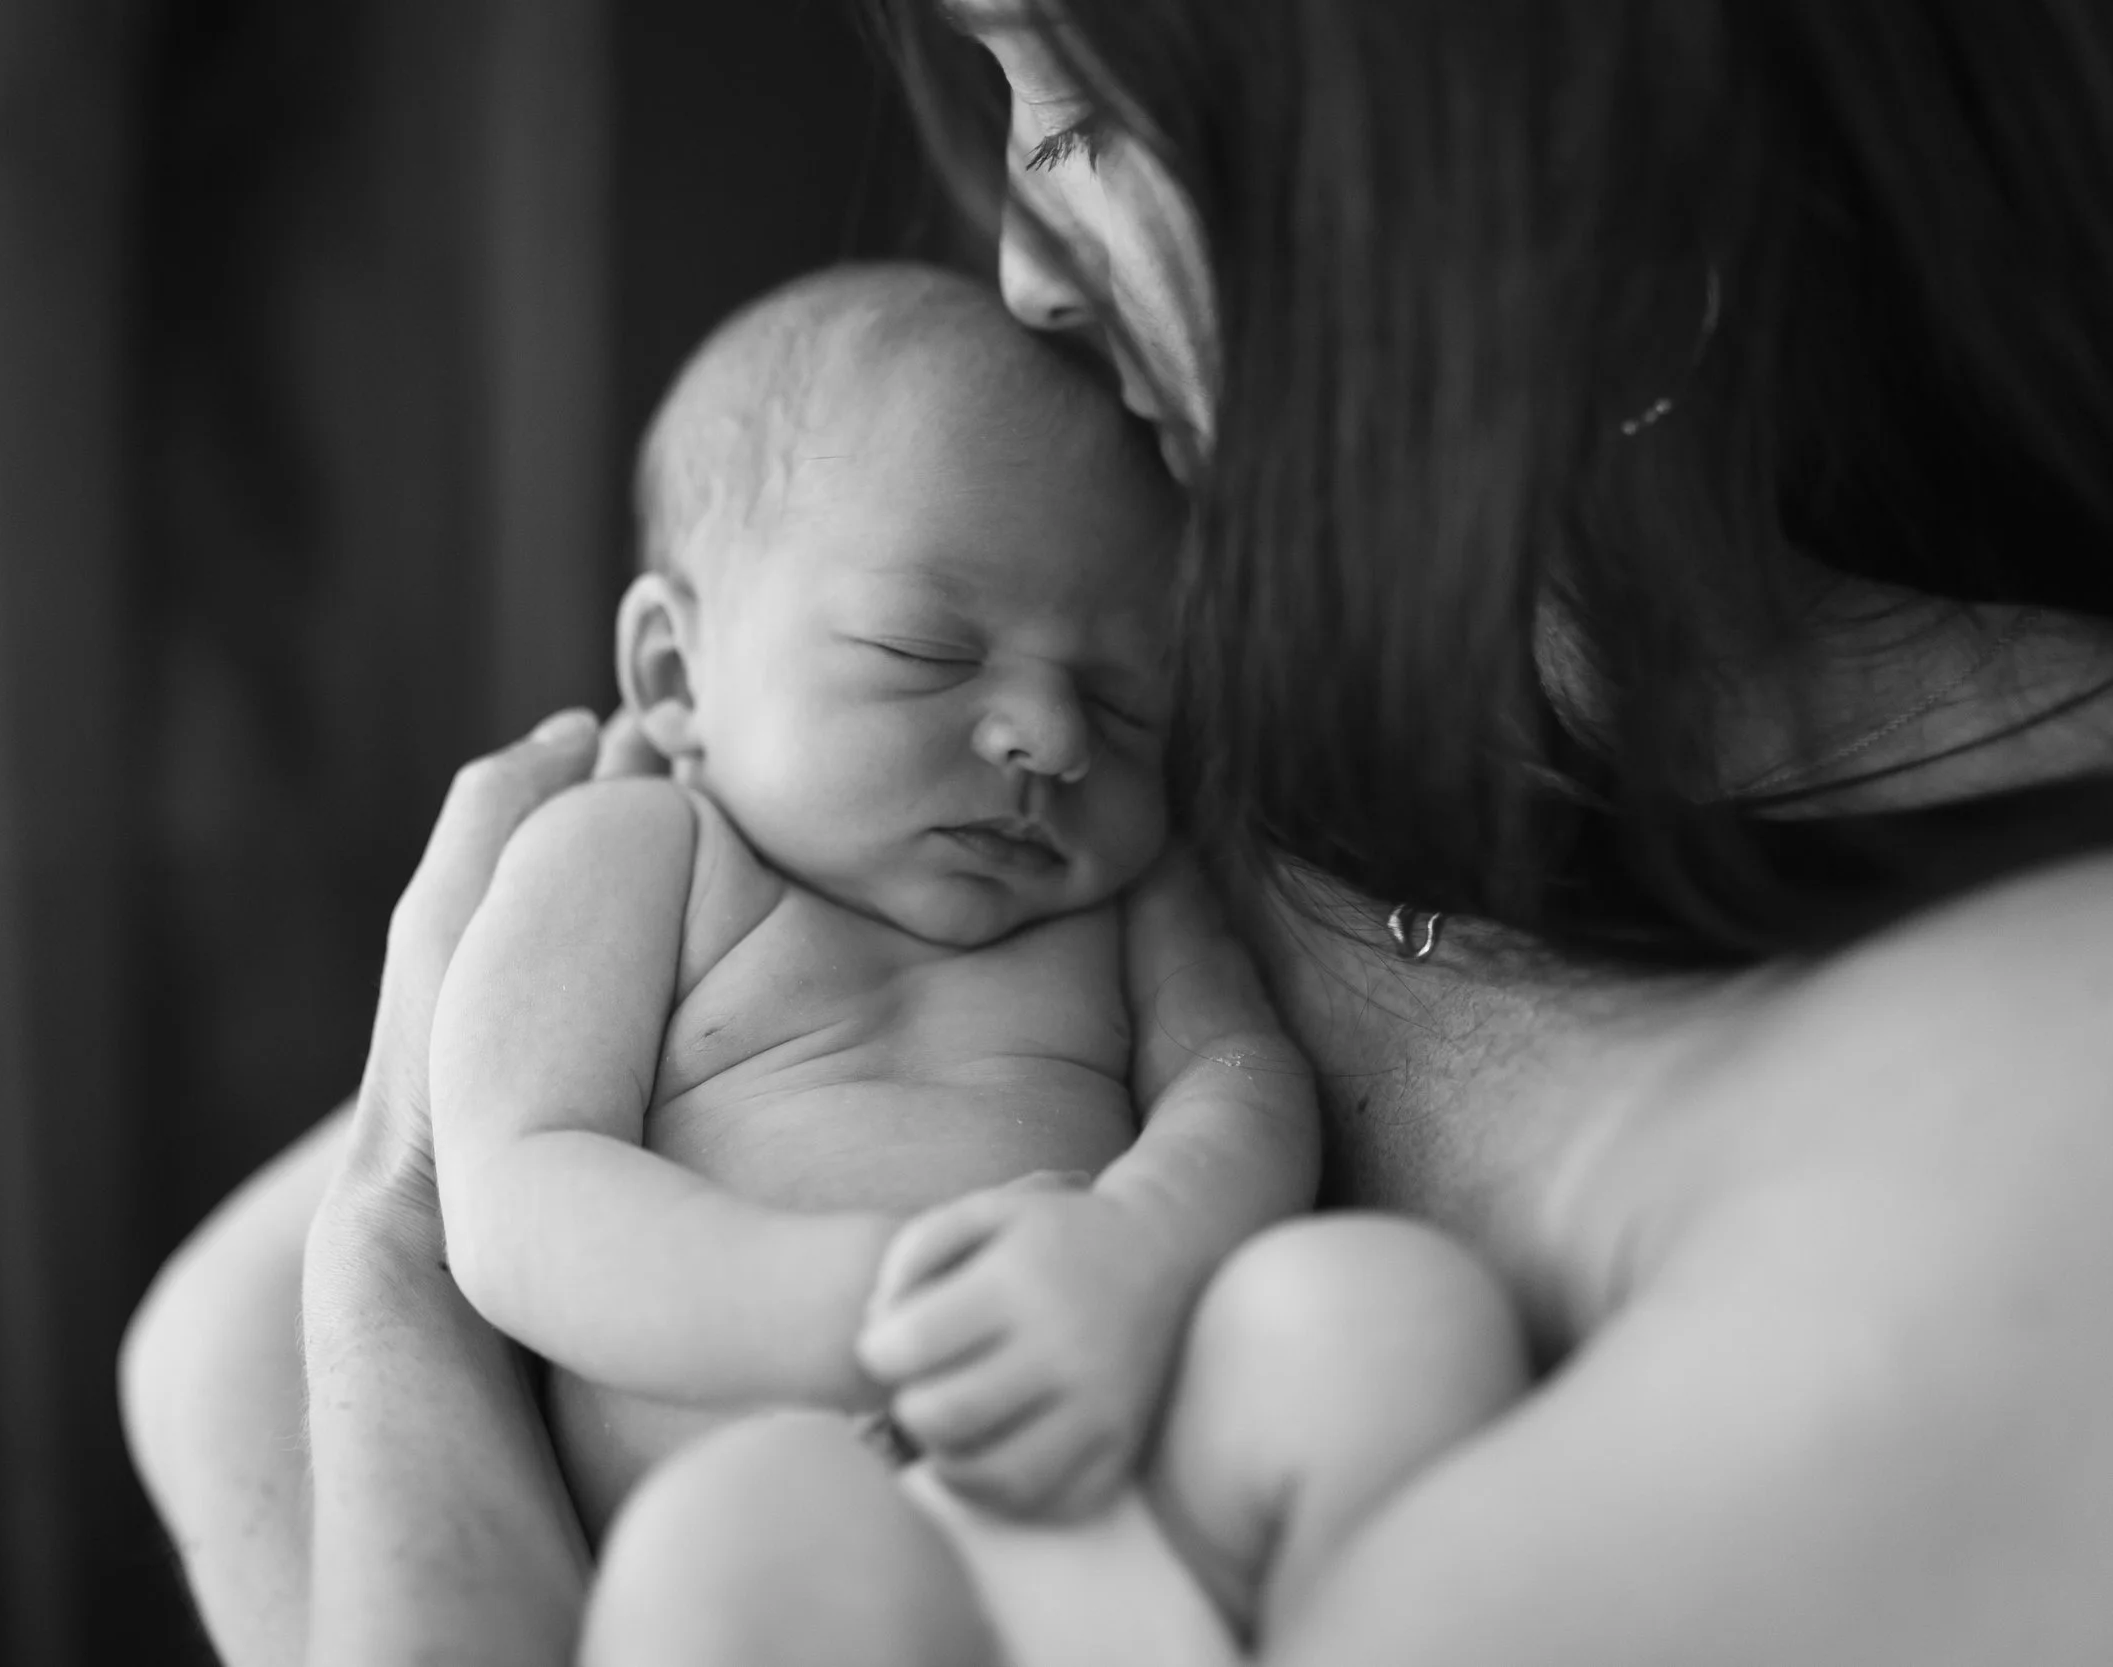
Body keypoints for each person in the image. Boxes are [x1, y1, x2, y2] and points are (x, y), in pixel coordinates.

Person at [120, 2, 2113, 1664]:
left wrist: (400, 1280)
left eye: (1073, 102)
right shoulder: (1204, 690)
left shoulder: (2063, 1121)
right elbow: (232, 1334)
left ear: (1506, 107)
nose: (1017, 268)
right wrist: (424, 1233)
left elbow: (314, 1351)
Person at [431, 259, 1520, 1667]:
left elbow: (1242, 1079)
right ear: (674, 678)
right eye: (926, 649)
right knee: (730, 1537)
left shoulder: (1126, 895)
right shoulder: (631, 853)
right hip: (822, 1550)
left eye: (1130, 701)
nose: (1049, 739)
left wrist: (1139, 1246)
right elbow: (510, 1186)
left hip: (1129, 1501)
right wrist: (859, 1306)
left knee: (1383, 1313)